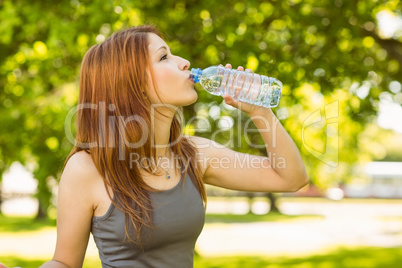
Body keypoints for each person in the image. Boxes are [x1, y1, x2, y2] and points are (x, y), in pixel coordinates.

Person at [3, 25, 309, 268]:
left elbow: (290, 178)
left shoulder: (193, 154)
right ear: (131, 82)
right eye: (164, 57)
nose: (184, 62)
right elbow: (65, 263)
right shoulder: (87, 168)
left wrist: (260, 110)